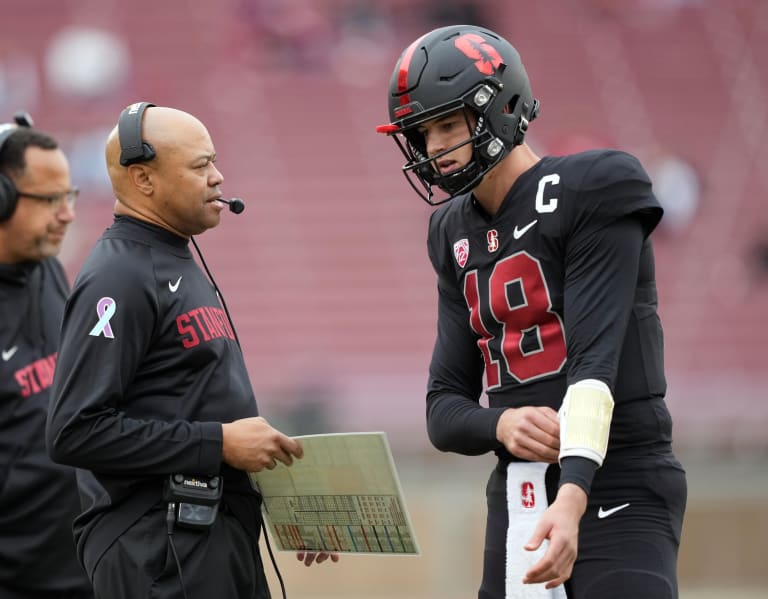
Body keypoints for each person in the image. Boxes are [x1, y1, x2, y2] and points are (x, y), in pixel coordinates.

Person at [377, 25, 687, 599]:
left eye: (449, 124)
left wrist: (572, 495)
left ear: (500, 109)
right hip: (520, 490)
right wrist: (500, 422)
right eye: (423, 133)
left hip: (617, 475)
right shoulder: (450, 230)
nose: (435, 147)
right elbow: (443, 408)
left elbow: (595, 363)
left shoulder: (594, 185)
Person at [46, 103, 335, 599]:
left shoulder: (173, 257)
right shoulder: (119, 276)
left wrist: (287, 504)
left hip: (204, 535)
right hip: (159, 550)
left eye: (215, 162)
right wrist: (218, 444)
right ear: (143, 179)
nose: (218, 178)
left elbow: (189, 403)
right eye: (200, 166)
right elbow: (74, 431)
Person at [0, 114, 92, 598]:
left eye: (69, 196)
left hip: (88, 574)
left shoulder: (49, 273)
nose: (68, 214)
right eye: (50, 199)